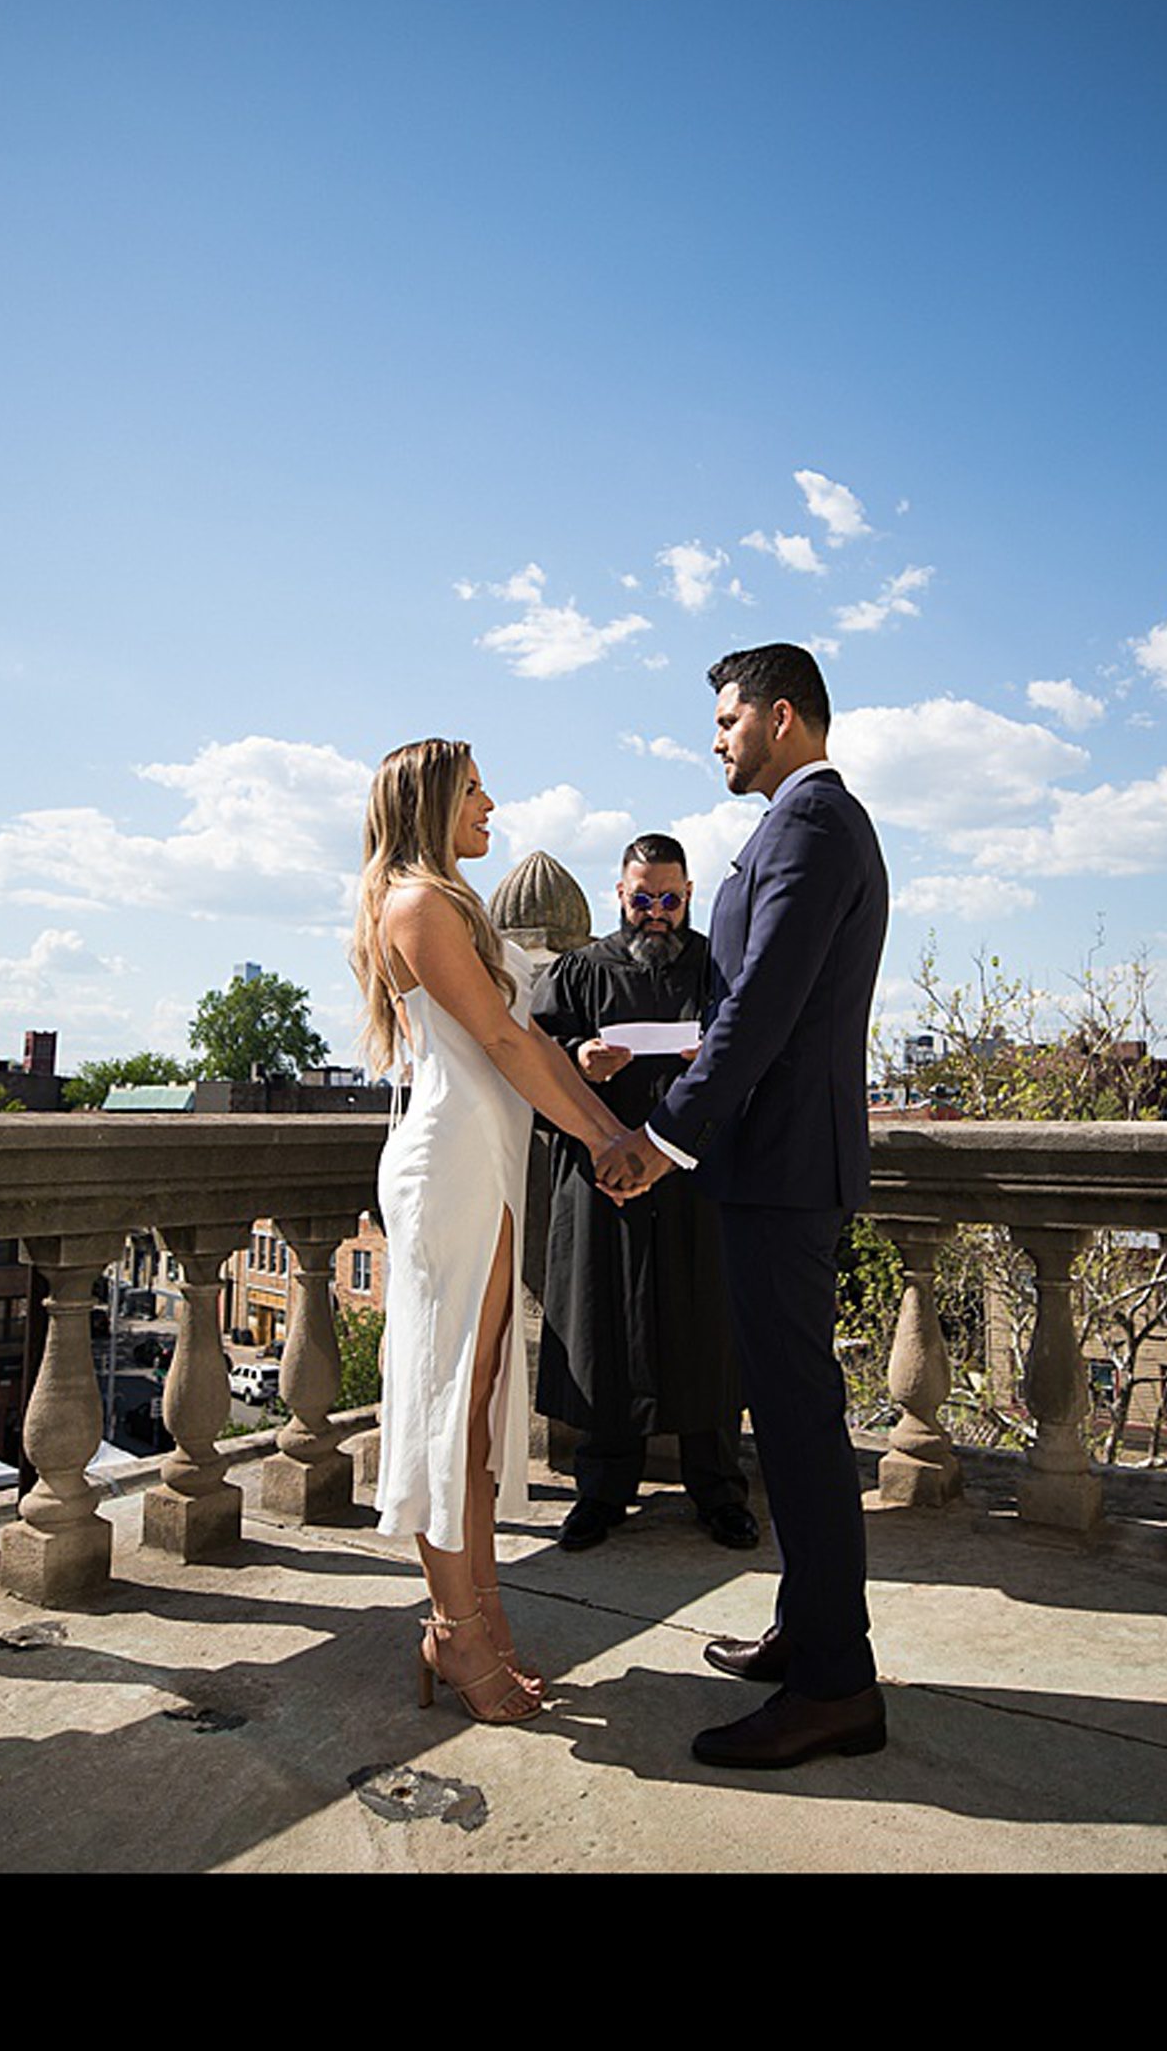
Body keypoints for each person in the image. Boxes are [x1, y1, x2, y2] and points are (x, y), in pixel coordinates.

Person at [593, 644, 891, 1770]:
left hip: (778, 1170)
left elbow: (759, 1007)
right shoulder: (799, 825)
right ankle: (808, 1631)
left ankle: (835, 1686)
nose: (716, 738)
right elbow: (743, 1006)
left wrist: (666, 1138)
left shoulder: (813, 825)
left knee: (804, 1427)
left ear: (779, 717)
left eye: (727, 719)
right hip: (769, 1168)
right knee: (788, 1414)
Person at [350, 738, 634, 1725]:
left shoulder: (449, 904)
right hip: (453, 1168)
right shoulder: (419, 904)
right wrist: (606, 1140)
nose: (491, 803)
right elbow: (508, 1043)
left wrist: (588, 1094)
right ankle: (454, 1632)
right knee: (446, 1411)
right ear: (432, 799)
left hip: (487, 1165)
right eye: (474, 790)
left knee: (470, 1415)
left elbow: (528, 1043)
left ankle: (481, 1621)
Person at [532, 835, 756, 1554]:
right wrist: (578, 1062)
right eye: (642, 899)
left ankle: (720, 1493)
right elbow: (529, 1067)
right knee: (605, 1332)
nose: (656, 914)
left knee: (708, 1333)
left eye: (670, 900)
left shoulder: (721, 971)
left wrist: (713, 1058)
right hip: (603, 1185)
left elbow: (757, 1058)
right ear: (618, 895)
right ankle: (600, 1494)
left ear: (688, 895)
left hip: (698, 1183)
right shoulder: (576, 973)